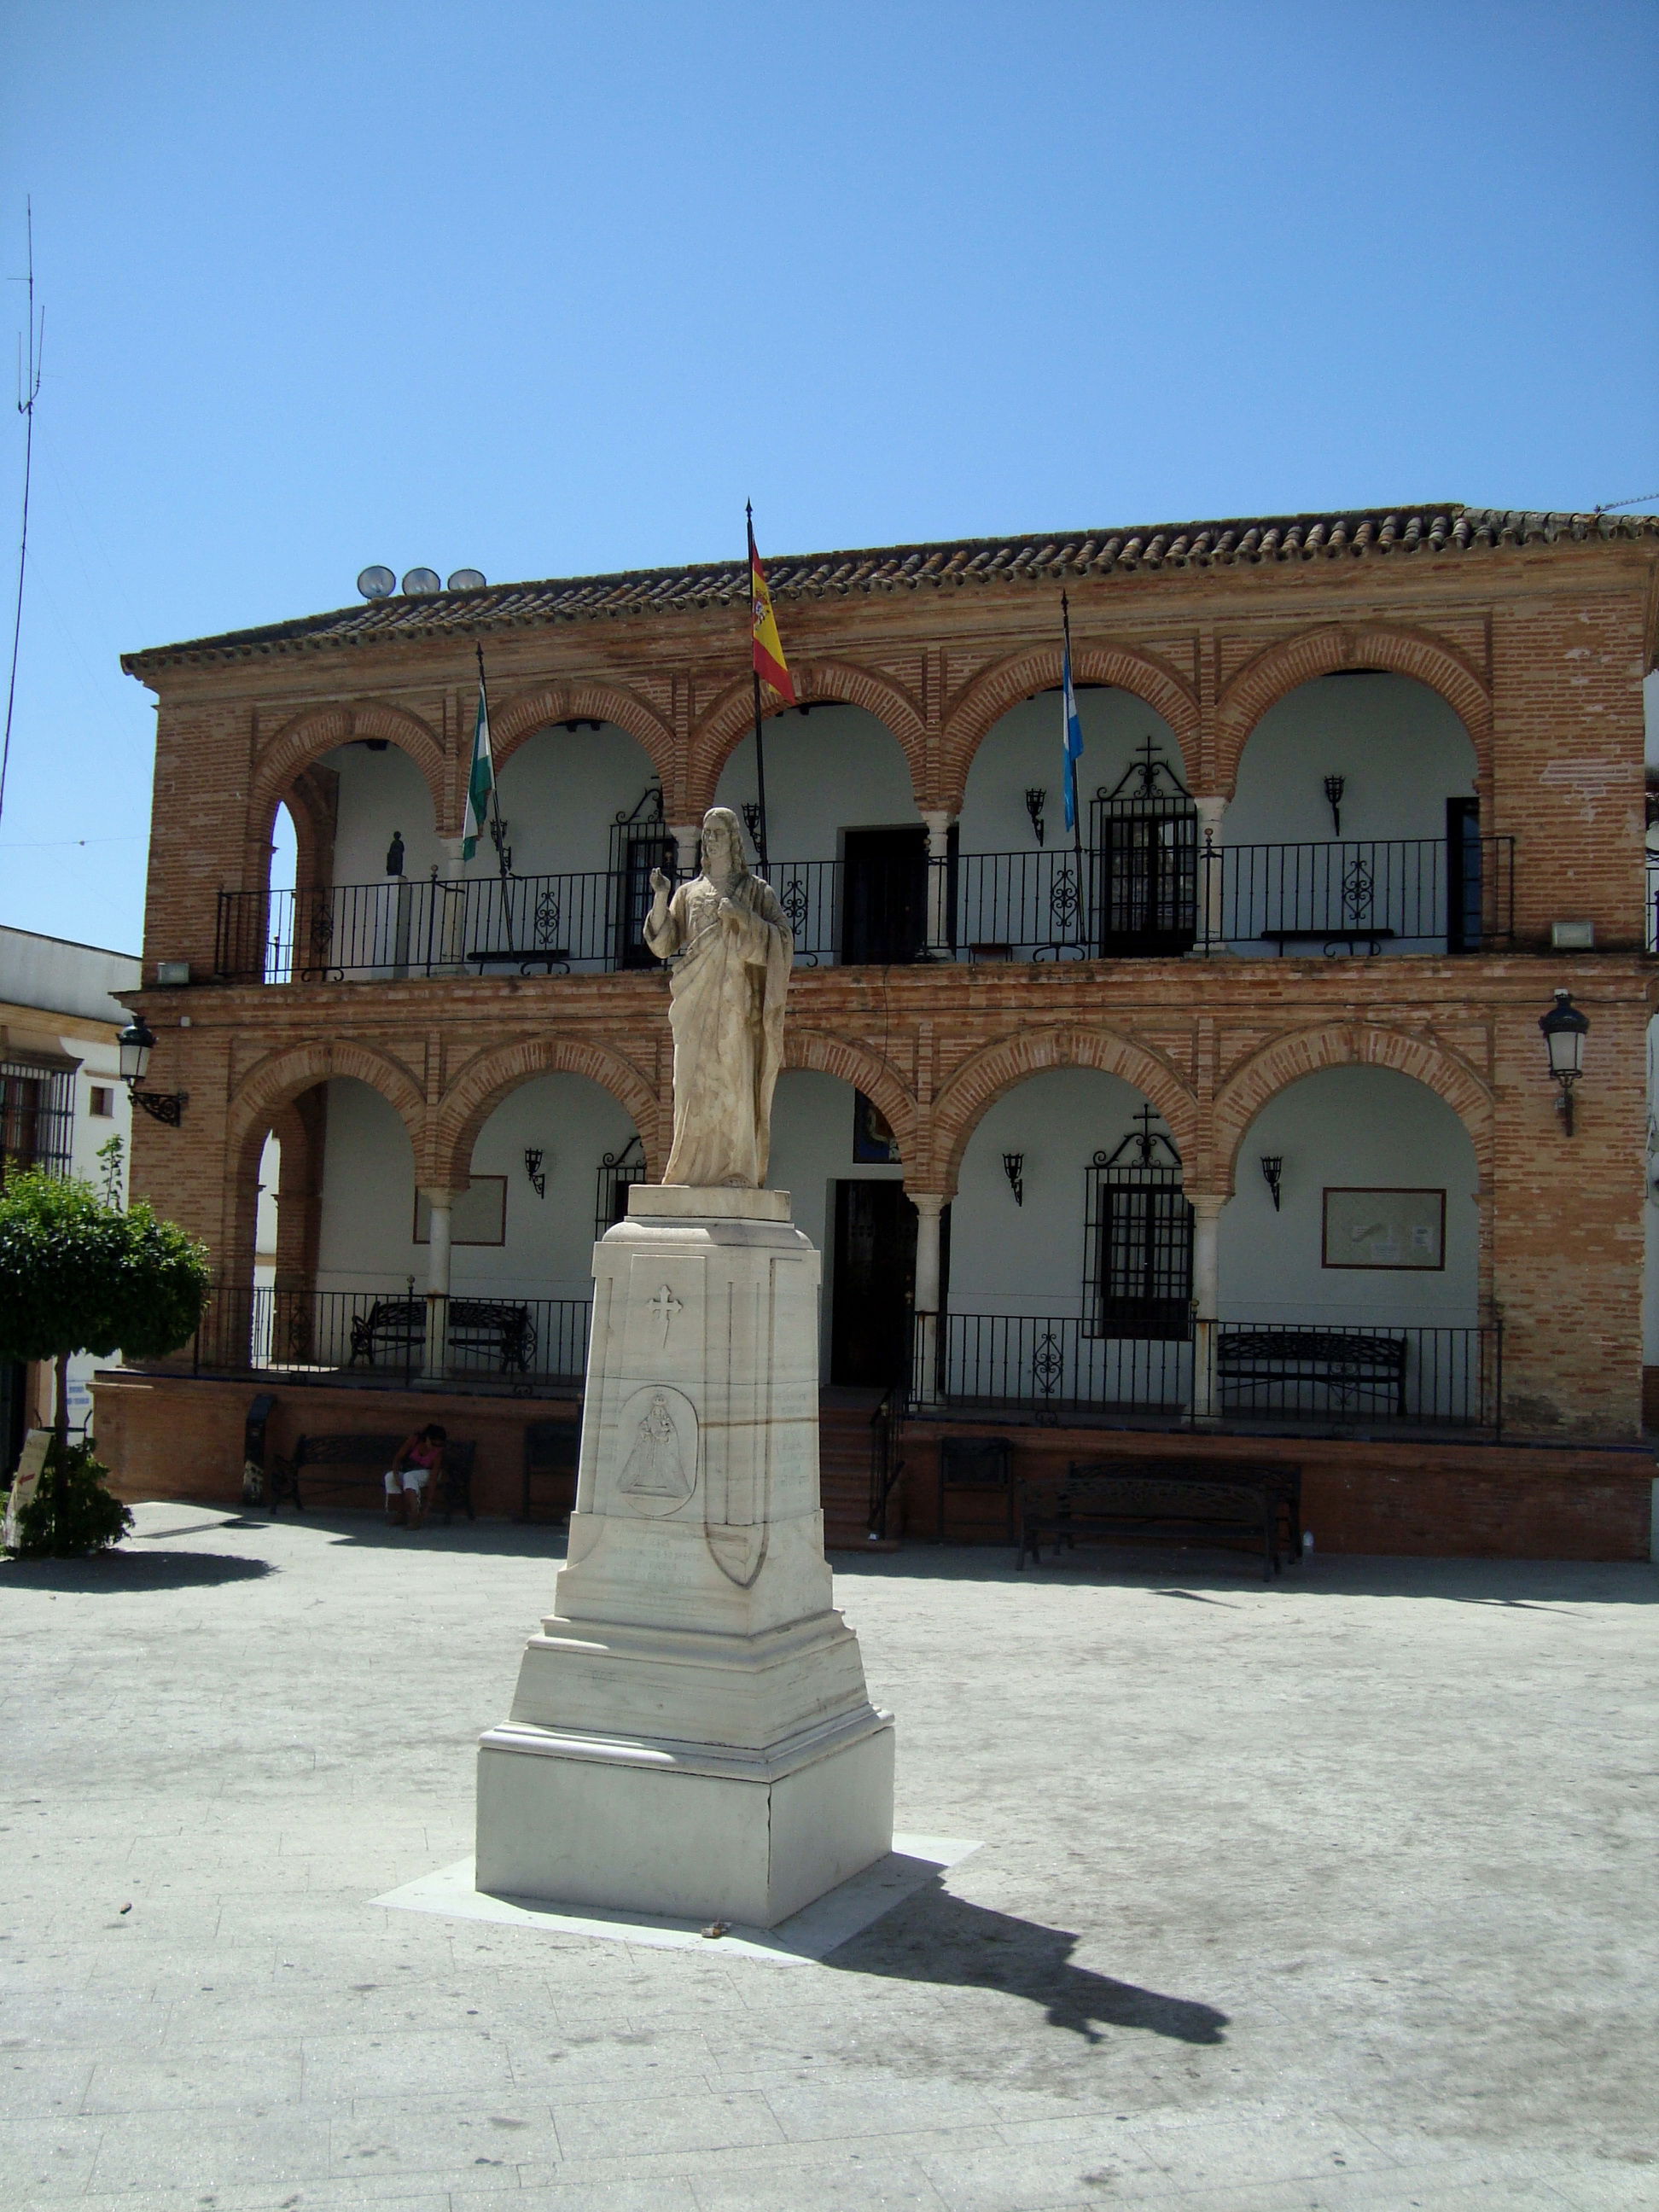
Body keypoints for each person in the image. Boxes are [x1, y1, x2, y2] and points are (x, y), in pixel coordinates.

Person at [643, 806, 792, 1187]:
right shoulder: (687, 893)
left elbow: (783, 941)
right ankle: (688, 1171)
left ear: (734, 839)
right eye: (706, 832)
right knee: (690, 1083)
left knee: (733, 1080)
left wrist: (743, 917)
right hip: (695, 1001)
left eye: (718, 832)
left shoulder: (756, 892)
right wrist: (661, 899)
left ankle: (735, 1168)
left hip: (737, 1004)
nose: (710, 838)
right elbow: (663, 944)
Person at [384, 1423, 445, 1528]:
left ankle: (414, 1516)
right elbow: (398, 1458)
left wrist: (427, 1505)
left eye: (439, 1446)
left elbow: (433, 1479)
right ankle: (401, 1512)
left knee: (410, 1477)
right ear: (427, 1438)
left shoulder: (438, 1454)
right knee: (389, 1478)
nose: (436, 1448)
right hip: (410, 1471)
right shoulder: (414, 1440)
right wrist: (395, 1475)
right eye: (434, 1444)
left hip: (428, 1473)